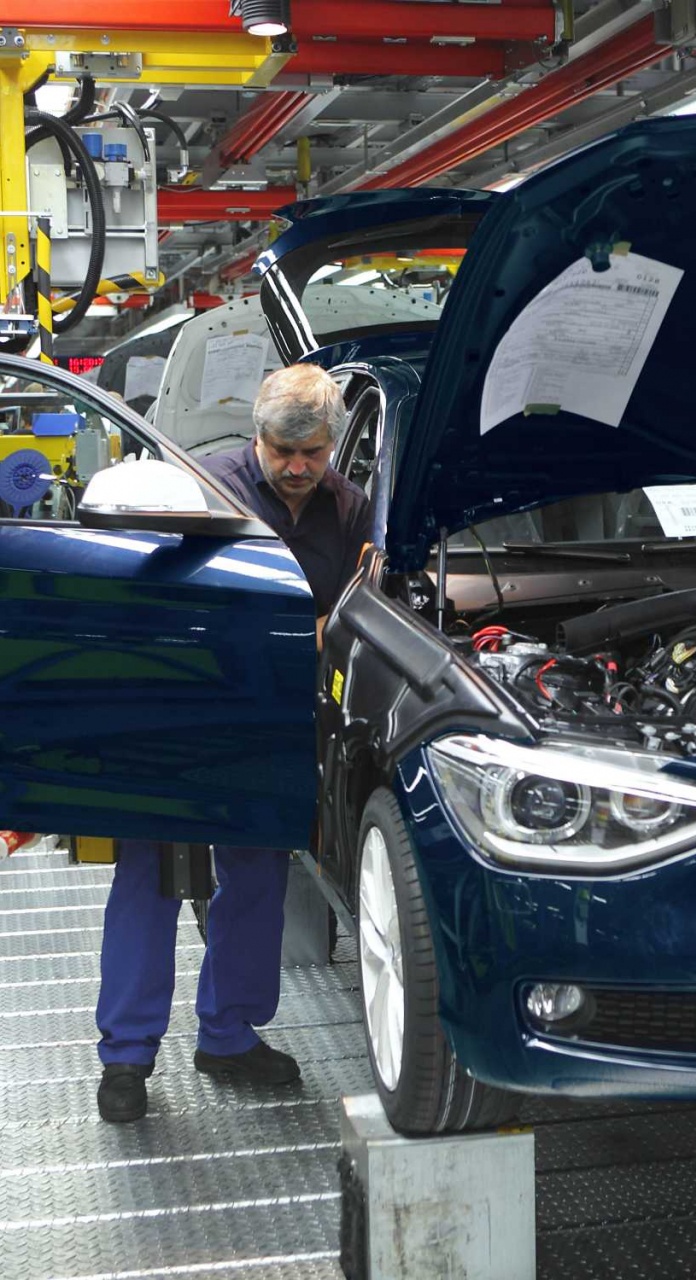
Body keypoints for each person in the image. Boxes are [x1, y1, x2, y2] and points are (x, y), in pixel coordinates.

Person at [96, 363, 372, 1123]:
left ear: (332, 445)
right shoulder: (199, 487)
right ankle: (125, 1057)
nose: (295, 468)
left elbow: (359, 608)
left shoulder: (350, 512)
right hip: (176, 710)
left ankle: (228, 1033)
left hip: (268, 717)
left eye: (311, 453)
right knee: (148, 875)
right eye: (281, 452)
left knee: (256, 874)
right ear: (256, 436)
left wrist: (323, 627)